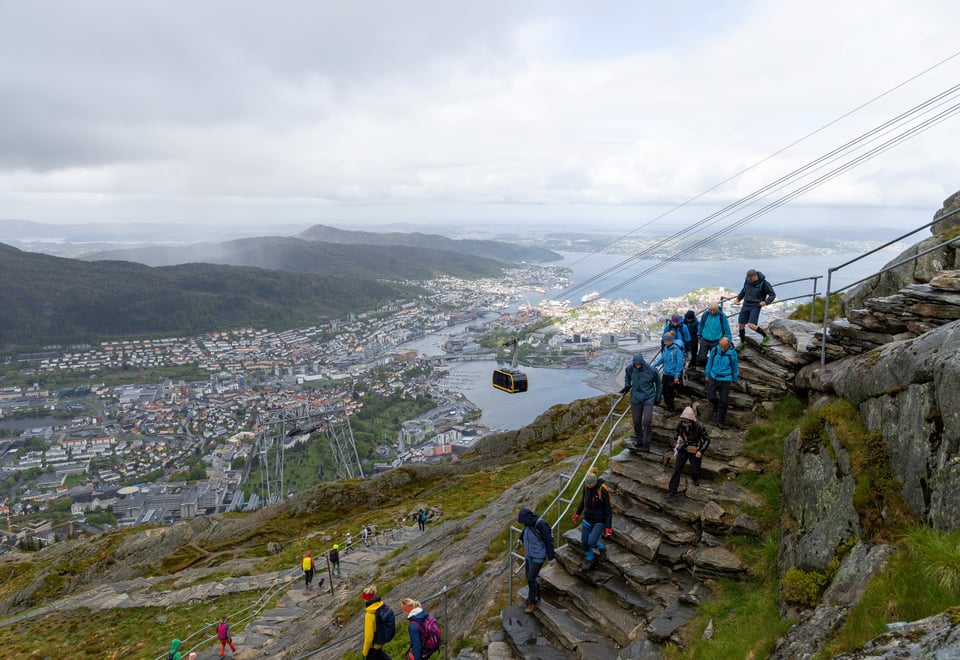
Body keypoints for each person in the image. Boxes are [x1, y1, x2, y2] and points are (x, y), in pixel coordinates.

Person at [619, 352, 662, 451]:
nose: (638, 365)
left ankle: (646, 443)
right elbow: (627, 377)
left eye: (639, 364)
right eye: (636, 364)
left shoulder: (651, 370)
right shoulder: (630, 368)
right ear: (633, 363)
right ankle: (640, 440)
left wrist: (657, 398)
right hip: (635, 398)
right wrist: (627, 385)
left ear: (642, 362)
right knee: (636, 421)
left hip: (648, 398)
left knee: (647, 421)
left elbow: (659, 384)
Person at [572, 467, 612, 572]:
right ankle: (591, 559)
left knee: (592, 542)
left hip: (600, 520)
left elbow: (608, 510)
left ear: (595, 482)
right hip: (588, 518)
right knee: (584, 543)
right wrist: (577, 514)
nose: (589, 486)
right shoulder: (586, 487)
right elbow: (583, 501)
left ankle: (602, 547)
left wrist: (608, 527)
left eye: (591, 484)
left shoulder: (602, 490)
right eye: (587, 484)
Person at [666, 407, 711, 498]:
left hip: (694, 449)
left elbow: (706, 439)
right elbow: (676, 432)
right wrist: (677, 438)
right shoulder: (680, 424)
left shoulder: (699, 426)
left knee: (695, 470)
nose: (685, 423)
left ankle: (695, 478)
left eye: (687, 421)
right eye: (684, 420)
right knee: (677, 470)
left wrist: (701, 451)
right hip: (683, 448)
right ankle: (672, 491)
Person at [517, 507, 556, 613]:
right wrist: (520, 538)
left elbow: (548, 541)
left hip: (538, 556)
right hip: (529, 555)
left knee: (531, 578)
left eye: (523, 521)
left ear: (527, 518)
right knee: (530, 577)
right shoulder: (528, 523)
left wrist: (551, 557)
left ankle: (532, 602)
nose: (523, 524)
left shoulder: (541, 525)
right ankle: (537, 594)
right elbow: (525, 530)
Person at [735, 269, 776, 348]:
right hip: (746, 304)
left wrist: (766, 302)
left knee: (751, 325)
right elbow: (744, 290)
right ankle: (742, 343)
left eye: (750, 278)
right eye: (748, 278)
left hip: (755, 305)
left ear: (755, 276)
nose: (749, 280)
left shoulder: (764, 283)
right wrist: (738, 299)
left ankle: (765, 337)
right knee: (741, 325)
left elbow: (772, 294)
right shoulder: (747, 281)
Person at [705, 337, 740, 429]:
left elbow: (735, 367)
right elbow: (709, 362)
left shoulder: (732, 354)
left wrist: (734, 379)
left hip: (725, 379)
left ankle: (721, 421)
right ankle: (716, 404)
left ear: (728, 345)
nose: (723, 348)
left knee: (724, 401)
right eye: (721, 346)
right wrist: (707, 374)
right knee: (710, 397)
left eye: (724, 347)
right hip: (714, 377)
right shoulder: (715, 350)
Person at [652, 332, 685, 414]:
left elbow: (679, 364)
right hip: (666, 373)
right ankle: (668, 405)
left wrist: (676, 376)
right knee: (663, 390)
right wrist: (653, 365)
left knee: (669, 392)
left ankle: (671, 408)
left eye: (666, 341)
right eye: (664, 341)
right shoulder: (666, 349)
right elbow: (662, 359)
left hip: (672, 375)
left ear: (671, 341)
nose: (664, 343)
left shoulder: (677, 350)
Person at [698, 302, 732, 366]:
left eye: (714, 310)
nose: (712, 312)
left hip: (716, 340)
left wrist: (729, 341)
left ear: (717, 309)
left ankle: (710, 369)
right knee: (701, 357)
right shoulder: (706, 314)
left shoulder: (722, 316)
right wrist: (699, 334)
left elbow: (727, 329)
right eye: (711, 310)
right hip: (705, 339)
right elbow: (701, 324)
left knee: (714, 358)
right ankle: (706, 366)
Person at [361, 585, 389, 660]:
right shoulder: (380, 607)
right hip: (380, 643)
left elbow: (369, 637)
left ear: (365, 599)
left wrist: (364, 652)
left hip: (372, 648)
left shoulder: (370, 614)